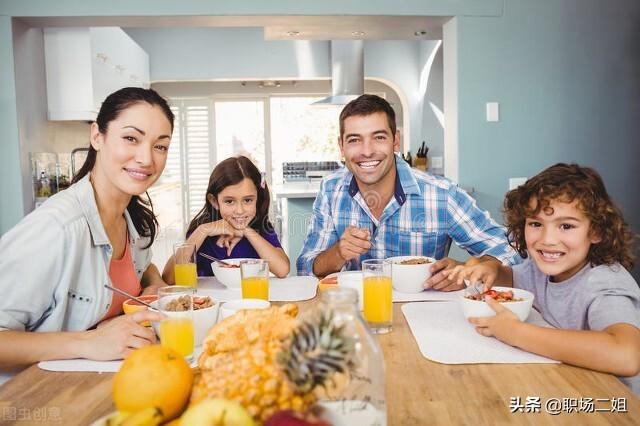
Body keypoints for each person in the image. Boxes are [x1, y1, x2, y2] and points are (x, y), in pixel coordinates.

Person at [0, 87, 174, 368]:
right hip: (43, 401)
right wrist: (88, 342)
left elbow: (141, 267)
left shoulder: (131, 217)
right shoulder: (56, 228)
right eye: (131, 138)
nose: (146, 158)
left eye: (160, 146)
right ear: (97, 136)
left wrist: (156, 287)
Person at [448, 163, 640, 393]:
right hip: (562, 386)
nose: (548, 239)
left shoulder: (604, 282)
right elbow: (512, 279)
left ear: (596, 231)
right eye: (536, 224)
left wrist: (516, 332)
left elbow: (626, 355)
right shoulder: (541, 269)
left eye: (566, 226)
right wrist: (492, 268)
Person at [296, 94, 519, 289]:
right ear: (342, 147)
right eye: (355, 140)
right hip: (354, 314)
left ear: (396, 141)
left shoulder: (441, 194)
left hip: (425, 319)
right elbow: (306, 268)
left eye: (379, 137)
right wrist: (338, 253)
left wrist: (465, 270)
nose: (367, 151)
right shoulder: (331, 190)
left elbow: (511, 251)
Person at [162, 156, 289, 282]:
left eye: (248, 200)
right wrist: (203, 230)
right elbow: (169, 278)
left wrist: (246, 231)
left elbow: (282, 269)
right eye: (229, 201)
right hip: (212, 300)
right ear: (214, 201)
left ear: (257, 199)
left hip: (252, 299)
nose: (239, 210)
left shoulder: (261, 227)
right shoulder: (203, 231)